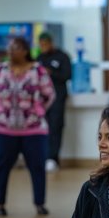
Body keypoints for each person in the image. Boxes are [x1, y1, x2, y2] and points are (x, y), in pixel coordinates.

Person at [0, 36, 55, 216]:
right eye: (9, 47)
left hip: (34, 129)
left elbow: (49, 95)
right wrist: (4, 110)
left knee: (37, 166)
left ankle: (39, 203)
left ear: (25, 51)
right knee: (1, 166)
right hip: (3, 128)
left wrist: (36, 112)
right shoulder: (1, 69)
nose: (11, 51)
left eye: (15, 47)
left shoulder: (38, 70)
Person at [37, 31, 72, 172]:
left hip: (58, 97)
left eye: (46, 44)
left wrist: (51, 72)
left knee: (56, 127)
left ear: (51, 43)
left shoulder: (62, 56)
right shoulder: (39, 58)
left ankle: (53, 158)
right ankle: (43, 157)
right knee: (43, 128)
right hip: (42, 99)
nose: (43, 47)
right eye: (41, 44)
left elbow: (67, 75)